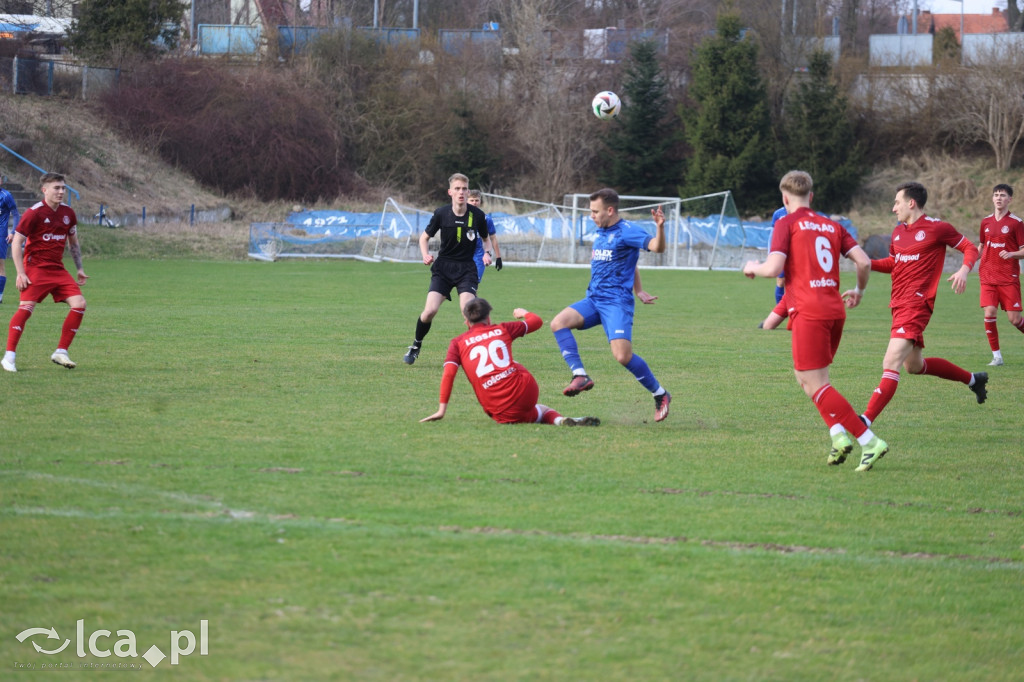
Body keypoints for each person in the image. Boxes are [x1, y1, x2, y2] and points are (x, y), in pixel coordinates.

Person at [743, 170, 889, 471]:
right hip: (835, 310)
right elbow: (863, 261)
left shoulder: (785, 223)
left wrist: (752, 266)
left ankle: (869, 441)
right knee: (809, 380)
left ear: (785, 199)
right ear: (811, 196)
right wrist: (860, 290)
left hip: (809, 312)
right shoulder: (832, 225)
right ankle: (838, 437)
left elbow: (774, 269)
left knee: (816, 383)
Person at [860, 181, 987, 427]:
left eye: (897, 202)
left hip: (917, 305)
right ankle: (974, 380)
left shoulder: (937, 228)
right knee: (914, 366)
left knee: (890, 363)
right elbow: (893, 264)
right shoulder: (898, 232)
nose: (893, 208)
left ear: (911, 202)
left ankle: (865, 421)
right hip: (898, 305)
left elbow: (970, 248)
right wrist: (865, 262)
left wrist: (963, 270)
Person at [550, 188, 672, 422]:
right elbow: (630, 263)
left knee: (622, 357)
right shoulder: (602, 231)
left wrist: (660, 227)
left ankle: (661, 394)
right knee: (558, 323)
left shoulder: (628, 231)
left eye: (595, 211)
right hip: (594, 300)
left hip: (616, 303)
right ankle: (580, 375)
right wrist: (639, 289)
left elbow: (658, 248)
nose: (591, 215)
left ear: (610, 210)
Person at [420, 297, 600, 427]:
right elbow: (536, 322)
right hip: (525, 392)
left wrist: (441, 410)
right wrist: (524, 313)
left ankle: (559, 420)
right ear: (488, 317)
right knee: (533, 402)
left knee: (528, 411)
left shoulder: (457, 343)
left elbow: (449, 374)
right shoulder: (502, 329)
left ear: (466, 320)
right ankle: (560, 420)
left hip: (496, 409)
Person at [2, 172, 87, 373]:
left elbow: (73, 244)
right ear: (44, 190)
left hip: (57, 269)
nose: (61, 192)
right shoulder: (34, 213)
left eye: (63, 188)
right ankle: (9, 356)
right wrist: (20, 273)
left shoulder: (68, 213)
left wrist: (80, 269)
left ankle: (61, 351)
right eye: (56, 188)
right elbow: (16, 242)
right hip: (36, 268)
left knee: (79, 304)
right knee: (26, 308)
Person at [403, 173, 489, 365]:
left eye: (464, 189)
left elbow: (486, 240)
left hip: (467, 268)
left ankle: (473, 354)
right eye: (457, 189)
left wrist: (487, 253)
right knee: (429, 312)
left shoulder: (478, 215)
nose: (461, 192)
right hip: (443, 268)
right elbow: (424, 238)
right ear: (450, 192)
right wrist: (425, 255)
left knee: (468, 310)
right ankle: (416, 345)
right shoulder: (441, 213)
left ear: (468, 192)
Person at [978, 183, 1024, 366]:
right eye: (996, 194)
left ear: (1009, 199)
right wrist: (969, 259)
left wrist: (1012, 253)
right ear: (992, 198)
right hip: (988, 276)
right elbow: (982, 246)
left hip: (1008, 278)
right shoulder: (985, 222)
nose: (999, 198)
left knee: (1015, 320)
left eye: (1003, 195)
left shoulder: (1016, 223)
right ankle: (997, 357)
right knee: (989, 312)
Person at [467, 190, 502, 282]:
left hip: (478, 256)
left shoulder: (486, 219)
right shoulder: (460, 217)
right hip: (462, 254)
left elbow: (493, 238)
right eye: (472, 200)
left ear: (480, 201)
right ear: (466, 201)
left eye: (477, 200)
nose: (474, 203)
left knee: (472, 285)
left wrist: (498, 257)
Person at [0, 175, 21, 304]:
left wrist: (13, 232)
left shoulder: (6, 195)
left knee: (0, 266)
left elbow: (16, 214)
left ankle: (0, 296)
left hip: (1, 235)